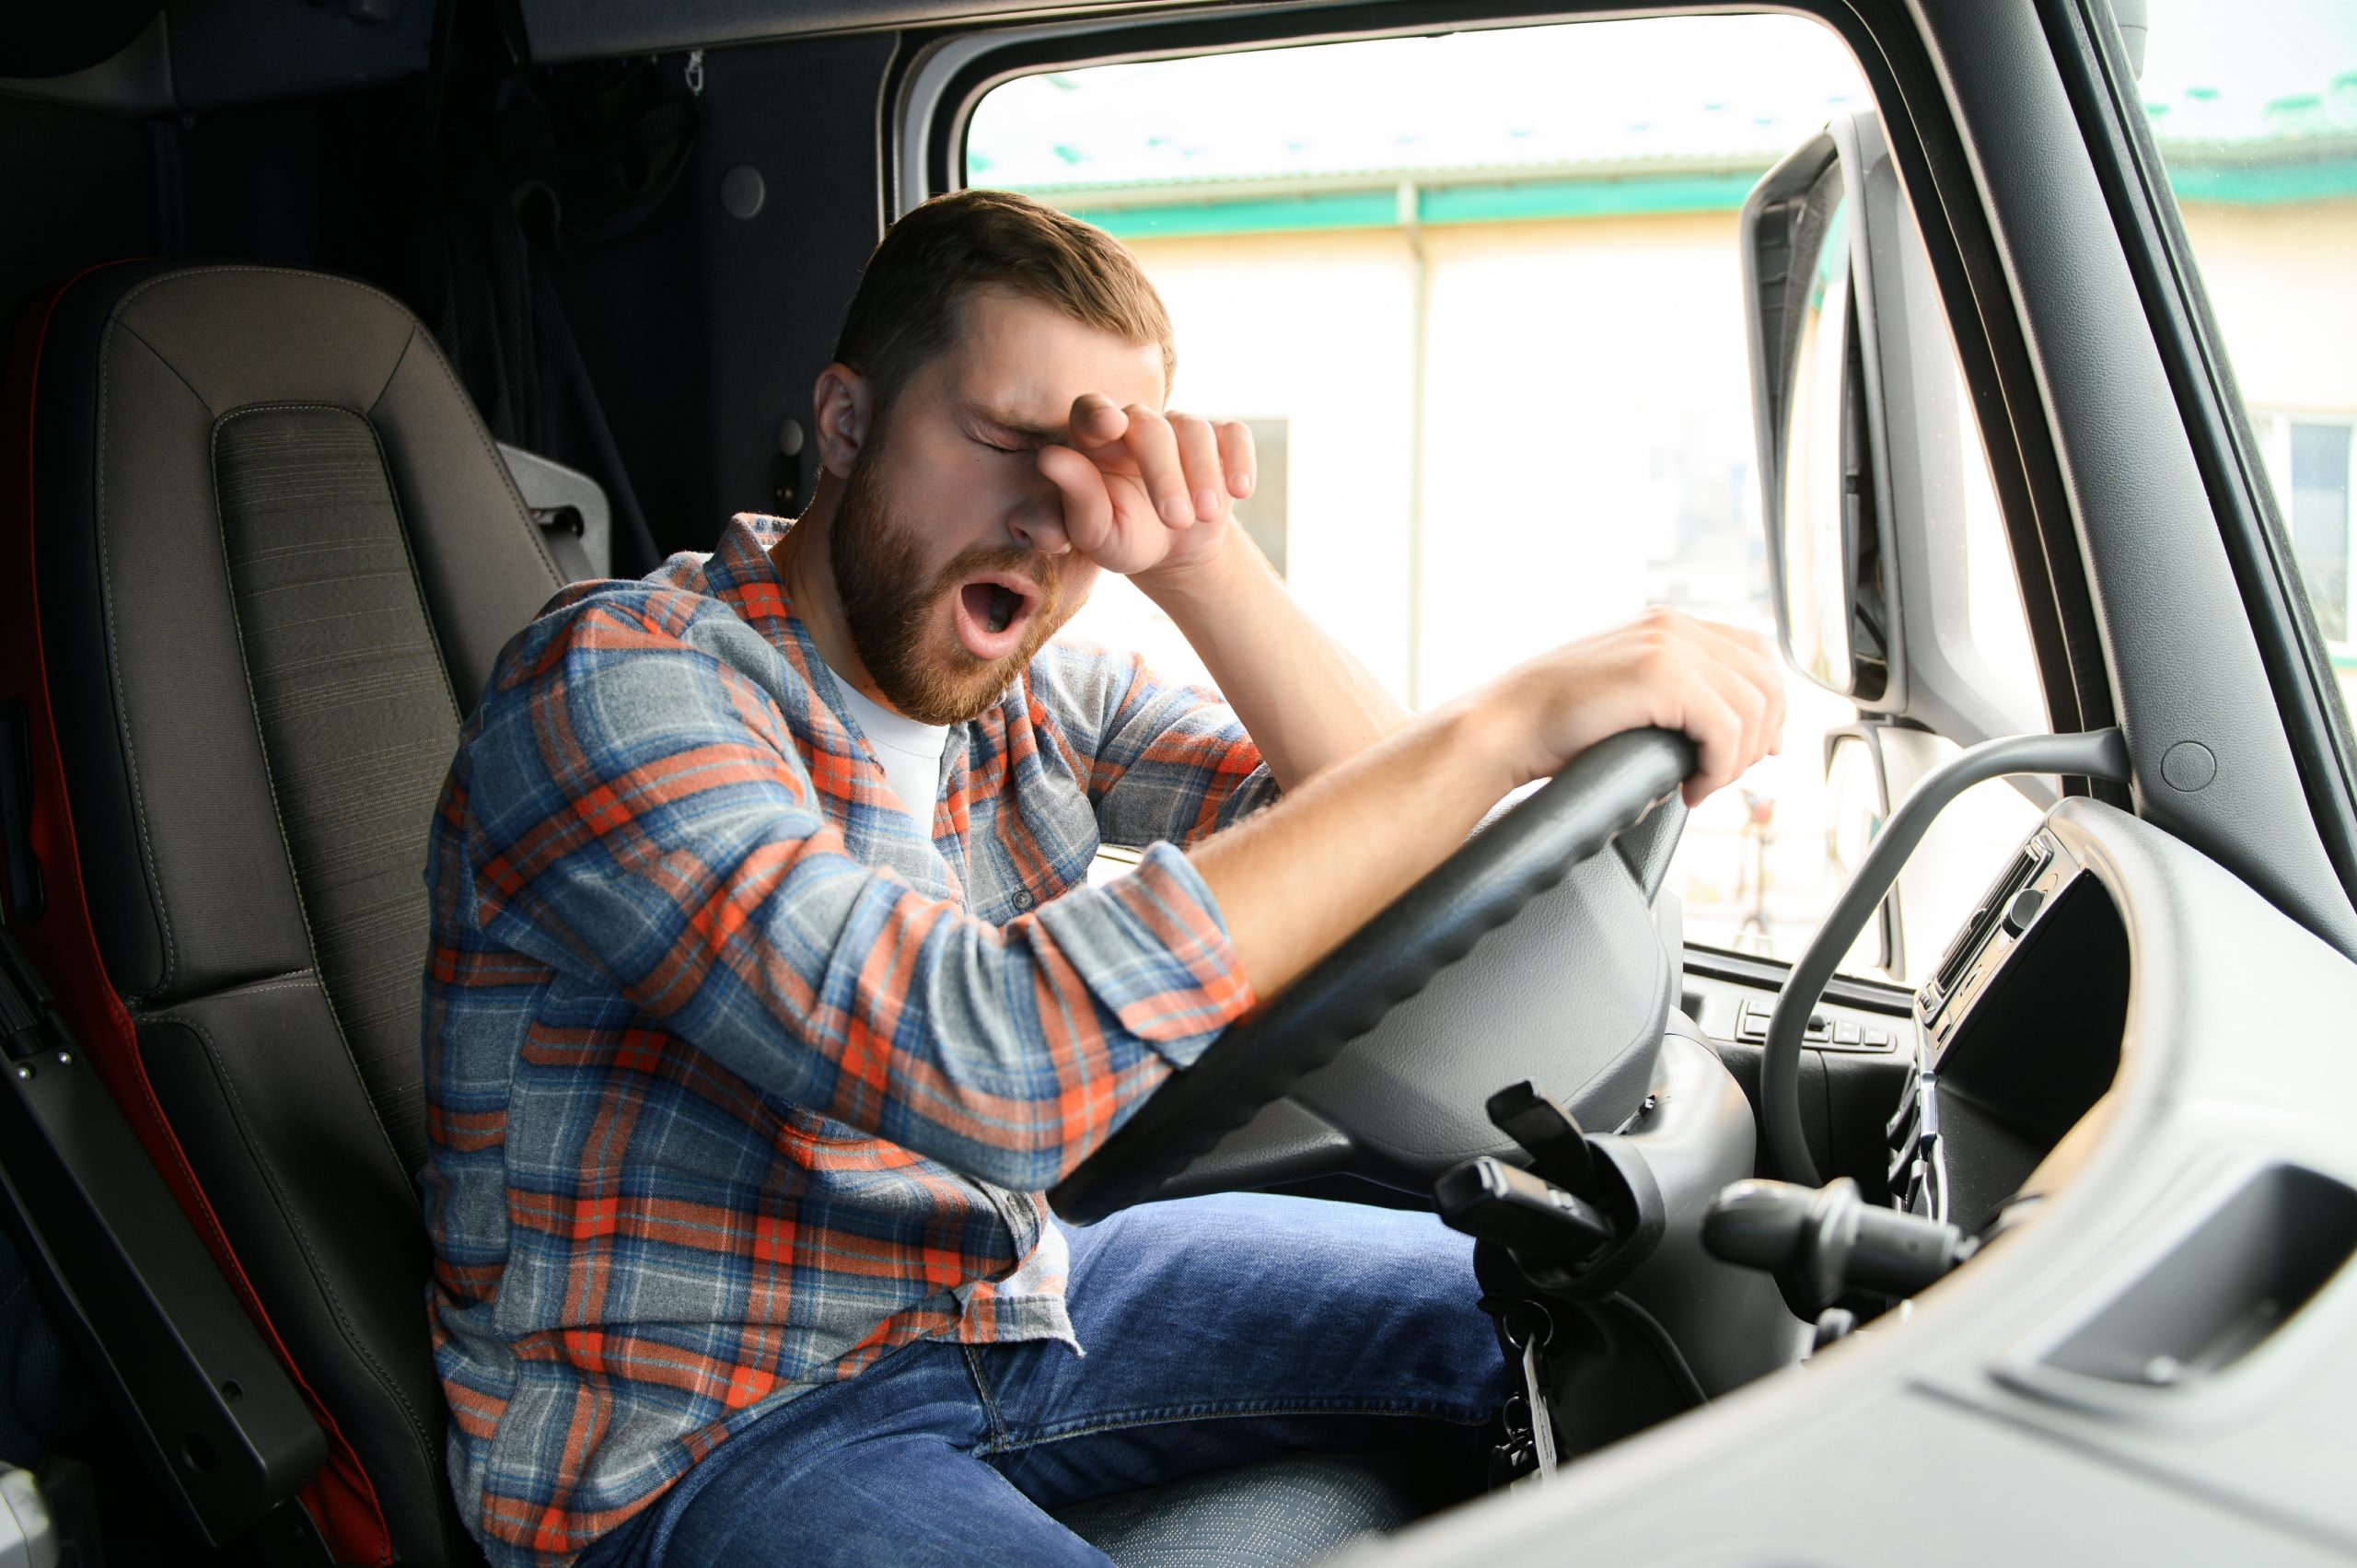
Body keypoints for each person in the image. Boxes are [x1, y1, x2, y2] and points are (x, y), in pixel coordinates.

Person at [420, 187, 1784, 1568]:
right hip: (709, 1420)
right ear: (844, 423)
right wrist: (1499, 725)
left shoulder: (1024, 699)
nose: (1048, 519)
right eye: (1006, 441)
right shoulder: (614, 687)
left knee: (1593, 1318)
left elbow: (1386, 838)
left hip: (1005, 1295)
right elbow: (983, 1063)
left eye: (1095, 474)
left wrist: (1204, 562)